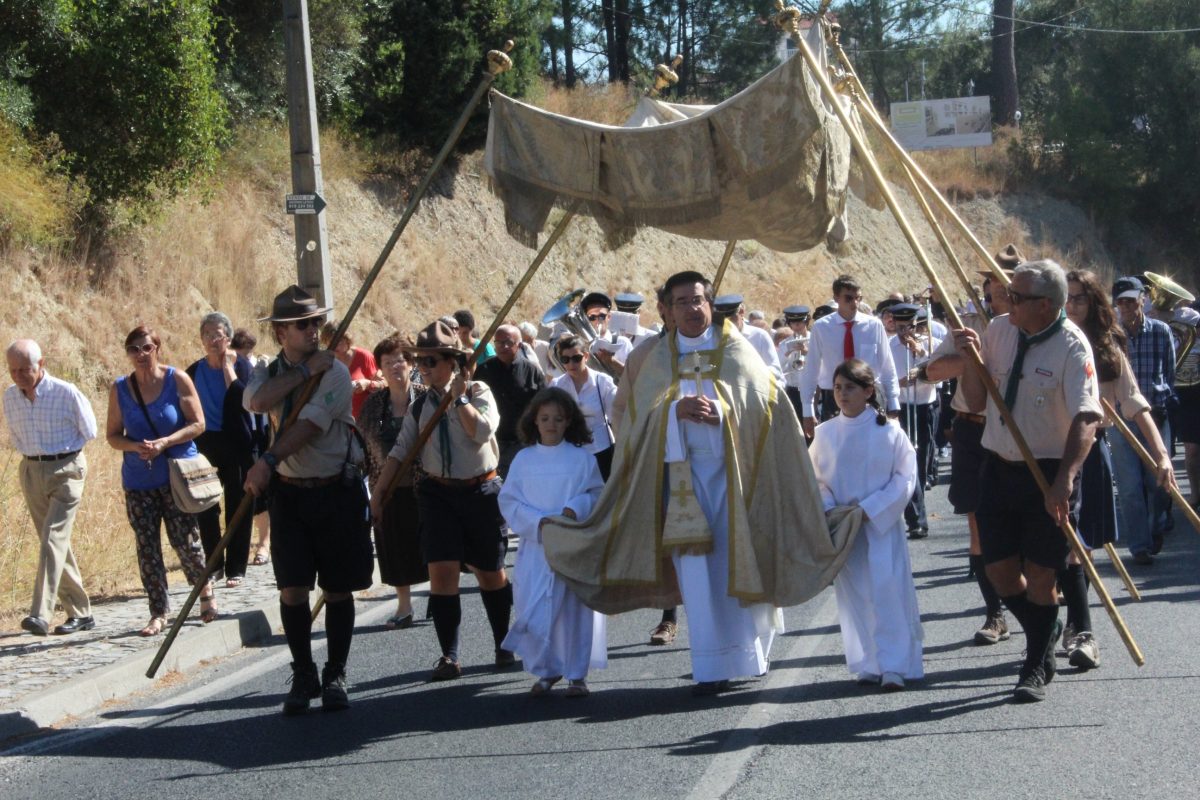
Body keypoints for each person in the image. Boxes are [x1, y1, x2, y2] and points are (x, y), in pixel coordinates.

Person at [541, 271, 860, 696]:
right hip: (680, 482)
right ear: (668, 310)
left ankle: (748, 655)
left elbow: (768, 407)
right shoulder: (654, 358)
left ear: (710, 304)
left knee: (737, 563)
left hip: (734, 479)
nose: (692, 309)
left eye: (698, 300)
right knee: (697, 575)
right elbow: (629, 421)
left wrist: (725, 414)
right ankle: (711, 666)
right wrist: (671, 413)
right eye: (682, 302)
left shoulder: (736, 349)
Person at [953, 259, 1102, 702]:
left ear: (1046, 305)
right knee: (999, 572)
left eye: (1017, 297)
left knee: (1041, 576)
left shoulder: (1072, 347)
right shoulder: (998, 330)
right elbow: (975, 402)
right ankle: (1045, 626)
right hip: (998, 466)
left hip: (1048, 472)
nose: (1006, 302)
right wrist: (971, 361)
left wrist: (1065, 480)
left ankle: (1035, 663)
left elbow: (1087, 418)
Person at [243, 285, 374, 715]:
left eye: (316, 321)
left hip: (334, 489)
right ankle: (303, 673)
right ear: (281, 333)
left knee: (337, 588)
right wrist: (301, 373)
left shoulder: (335, 372)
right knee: (292, 589)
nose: (313, 330)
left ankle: (336, 673)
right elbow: (257, 401)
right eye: (303, 325)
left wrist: (267, 459)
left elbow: (310, 426)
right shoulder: (268, 369)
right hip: (289, 493)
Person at [371, 320, 513, 682]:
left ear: (453, 362)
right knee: (442, 571)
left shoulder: (479, 392)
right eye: (421, 361)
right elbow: (401, 451)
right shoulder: (420, 406)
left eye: (431, 361)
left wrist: (460, 398)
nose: (424, 367)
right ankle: (449, 655)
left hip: (480, 492)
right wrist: (379, 494)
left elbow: (481, 431)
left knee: (490, 572)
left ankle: (504, 642)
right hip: (437, 494)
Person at [1063, 269, 1176, 668]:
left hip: (1089, 450)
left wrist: (1161, 454)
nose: (1071, 305)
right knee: (1047, 550)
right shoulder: (1048, 340)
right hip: (1046, 452)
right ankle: (1051, 623)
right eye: (1066, 297)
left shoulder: (1108, 348)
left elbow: (1134, 402)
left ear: (1093, 303)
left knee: (1079, 546)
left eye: (1079, 298)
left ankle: (1080, 629)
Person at [810, 359, 922, 690]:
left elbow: (905, 477)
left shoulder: (889, 431)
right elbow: (816, 480)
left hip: (880, 525)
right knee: (856, 593)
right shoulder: (825, 433)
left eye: (850, 387)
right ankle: (871, 661)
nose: (842, 394)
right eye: (837, 388)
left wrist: (871, 508)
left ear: (868, 391)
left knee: (888, 591)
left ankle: (895, 665)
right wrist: (832, 509)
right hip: (846, 527)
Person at [927, 245, 1019, 644]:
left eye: (1008, 279)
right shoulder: (969, 323)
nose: (1000, 286)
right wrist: (969, 357)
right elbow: (932, 371)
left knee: (1022, 520)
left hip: (1017, 432)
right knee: (978, 525)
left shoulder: (1032, 324)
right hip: (972, 429)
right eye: (995, 279)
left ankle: (1037, 607)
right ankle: (994, 613)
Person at [105, 325, 216, 637]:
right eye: (134, 349)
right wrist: (134, 446)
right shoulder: (120, 388)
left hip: (175, 475)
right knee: (147, 547)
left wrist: (165, 442)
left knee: (185, 541)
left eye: (146, 348)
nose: (141, 355)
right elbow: (112, 436)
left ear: (157, 348)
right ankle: (158, 612)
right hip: (138, 480)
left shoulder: (176, 379)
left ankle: (205, 589)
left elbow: (198, 424)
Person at [500, 388, 605, 696]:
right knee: (535, 607)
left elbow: (596, 494)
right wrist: (538, 521)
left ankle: (576, 674)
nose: (551, 424)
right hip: (537, 548)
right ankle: (547, 670)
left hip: (572, 546)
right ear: (534, 420)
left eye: (558, 419)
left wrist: (574, 508)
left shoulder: (581, 459)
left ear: (568, 421)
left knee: (573, 611)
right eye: (545, 418)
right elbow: (509, 500)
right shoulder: (524, 459)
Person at [5, 339, 97, 636]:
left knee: (52, 539)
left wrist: (64, 457)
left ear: (41, 364)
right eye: (13, 370)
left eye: (25, 369)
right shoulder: (9, 396)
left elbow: (90, 431)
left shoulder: (66, 392)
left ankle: (40, 614)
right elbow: (16, 435)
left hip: (66, 470)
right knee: (55, 543)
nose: (19, 376)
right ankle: (81, 613)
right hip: (31, 470)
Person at [358, 334, 430, 629]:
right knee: (394, 548)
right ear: (380, 369)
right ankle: (404, 605)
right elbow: (363, 444)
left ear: (410, 363)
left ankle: (439, 593)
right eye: (387, 363)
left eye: (400, 360)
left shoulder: (427, 398)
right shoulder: (373, 405)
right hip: (386, 488)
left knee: (431, 544)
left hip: (426, 485)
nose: (395, 367)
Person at [1109, 276, 1176, 564]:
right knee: (1129, 488)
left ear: (1142, 300)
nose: (1126, 306)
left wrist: (1163, 402)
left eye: (1130, 300)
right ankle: (1140, 546)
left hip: (1156, 416)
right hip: (1121, 420)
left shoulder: (1161, 331)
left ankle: (1157, 525)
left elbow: (1170, 371)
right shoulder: (1111, 335)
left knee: (1159, 482)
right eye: (1120, 302)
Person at [187, 312, 255, 587]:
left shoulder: (243, 367)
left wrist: (228, 367)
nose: (213, 340)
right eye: (207, 335)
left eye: (218, 334)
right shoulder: (193, 372)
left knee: (238, 505)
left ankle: (236, 567)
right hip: (205, 443)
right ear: (201, 339)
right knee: (206, 506)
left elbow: (242, 401)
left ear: (228, 337)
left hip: (237, 442)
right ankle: (214, 565)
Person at [799, 274, 899, 437]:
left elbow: (887, 365)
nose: (855, 303)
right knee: (836, 446)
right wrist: (807, 410)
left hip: (868, 396)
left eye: (858, 298)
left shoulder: (873, 325)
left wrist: (893, 403)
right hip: (835, 397)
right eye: (849, 298)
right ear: (836, 298)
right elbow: (811, 370)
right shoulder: (822, 327)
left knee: (871, 444)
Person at [890, 304, 941, 539]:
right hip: (901, 407)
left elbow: (941, 377)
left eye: (908, 327)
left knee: (921, 462)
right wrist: (899, 383)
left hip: (925, 407)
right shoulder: (888, 346)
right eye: (900, 328)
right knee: (906, 463)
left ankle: (916, 510)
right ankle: (916, 520)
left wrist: (920, 355)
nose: (904, 333)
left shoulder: (930, 344)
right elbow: (879, 377)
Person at [475, 323, 546, 477]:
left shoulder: (532, 371)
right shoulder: (484, 370)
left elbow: (543, 406)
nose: (503, 347)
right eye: (499, 342)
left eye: (508, 342)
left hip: (522, 442)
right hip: (491, 441)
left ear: (519, 345)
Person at [551, 334, 618, 480]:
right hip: (570, 452)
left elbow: (616, 417)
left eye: (576, 358)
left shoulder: (602, 381)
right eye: (565, 359)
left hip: (602, 450)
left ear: (586, 356)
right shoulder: (556, 385)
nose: (571, 364)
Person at [232, 328, 272, 566]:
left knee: (260, 490)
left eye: (247, 353)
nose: (244, 358)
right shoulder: (230, 367)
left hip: (260, 433)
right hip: (239, 435)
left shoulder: (260, 367)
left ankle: (264, 542)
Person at [321, 320, 383, 420]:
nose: (335, 345)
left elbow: (385, 384)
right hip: (339, 421)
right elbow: (324, 398)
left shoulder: (364, 356)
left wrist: (368, 384)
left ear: (348, 340)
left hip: (365, 420)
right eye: (331, 341)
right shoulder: (325, 364)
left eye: (339, 341)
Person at [713, 295, 783, 379]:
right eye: (722, 320)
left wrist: (750, 370)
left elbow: (776, 371)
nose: (727, 323)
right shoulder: (713, 338)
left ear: (741, 312)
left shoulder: (759, 336)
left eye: (732, 318)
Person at [578, 292, 632, 377]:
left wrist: (612, 361)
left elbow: (634, 375)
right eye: (592, 317)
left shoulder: (623, 342)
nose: (597, 320)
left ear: (609, 317)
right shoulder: (581, 345)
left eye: (601, 316)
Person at [777, 305, 811, 419]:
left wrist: (807, 353)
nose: (796, 326)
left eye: (800, 322)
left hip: (811, 389)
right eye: (793, 322)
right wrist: (787, 352)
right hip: (792, 390)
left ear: (806, 321)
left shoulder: (814, 340)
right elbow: (778, 367)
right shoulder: (784, 344)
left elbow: (822, 365)